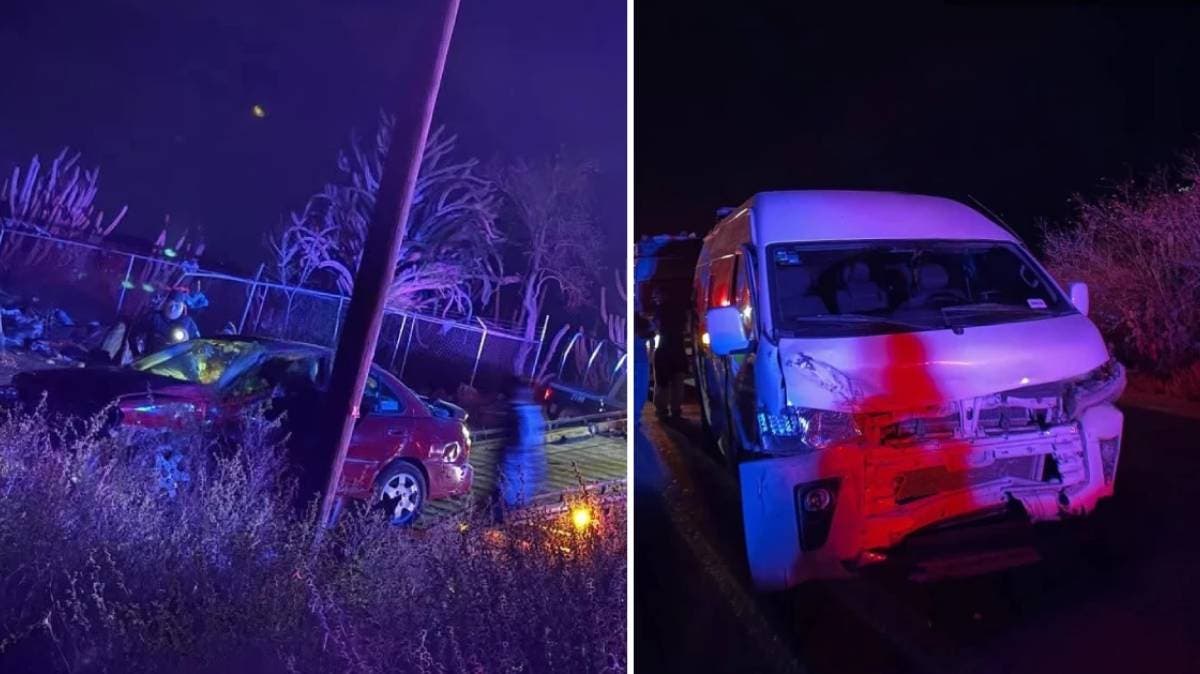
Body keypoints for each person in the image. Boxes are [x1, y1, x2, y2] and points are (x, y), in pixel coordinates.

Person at [491, 375, 547, 523]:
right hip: (524, 482)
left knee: (500, 515)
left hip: (513, 479)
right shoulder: (535, 414)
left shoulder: (518, 415)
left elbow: (514, 447)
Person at [649, 285, 688, 419]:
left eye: (656, 296)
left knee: (662, 382)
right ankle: (676, 409)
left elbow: (655, 327)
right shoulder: (679, 310)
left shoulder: (660, 311)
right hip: (678, 349)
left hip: (664, 349)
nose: (655, 299)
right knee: (678, 381)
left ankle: (662, 409)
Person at [133, 290, 201, 356]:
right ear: (165, 304)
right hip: (152, 358)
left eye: (177, 306)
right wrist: (137, 353)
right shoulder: (154, 318)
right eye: (171, 304)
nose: (173, 309)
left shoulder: (188, 322)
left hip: (176, 360)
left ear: (183, 307)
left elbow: (198, 343)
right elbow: (135, 333)